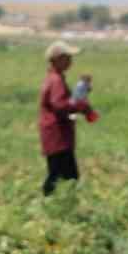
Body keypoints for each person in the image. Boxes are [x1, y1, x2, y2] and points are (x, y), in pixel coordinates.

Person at [38, 41, 93, 196]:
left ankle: (52, 203)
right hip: (58, 135)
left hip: (56, 135)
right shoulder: (56, 80)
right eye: (67, 57)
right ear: (57, 59)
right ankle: (51, 203)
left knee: (61, 174)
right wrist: (80, 106)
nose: (70, 61)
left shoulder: (54, 78)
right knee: (66, 176)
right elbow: (60, 105)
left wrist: (80, 94)